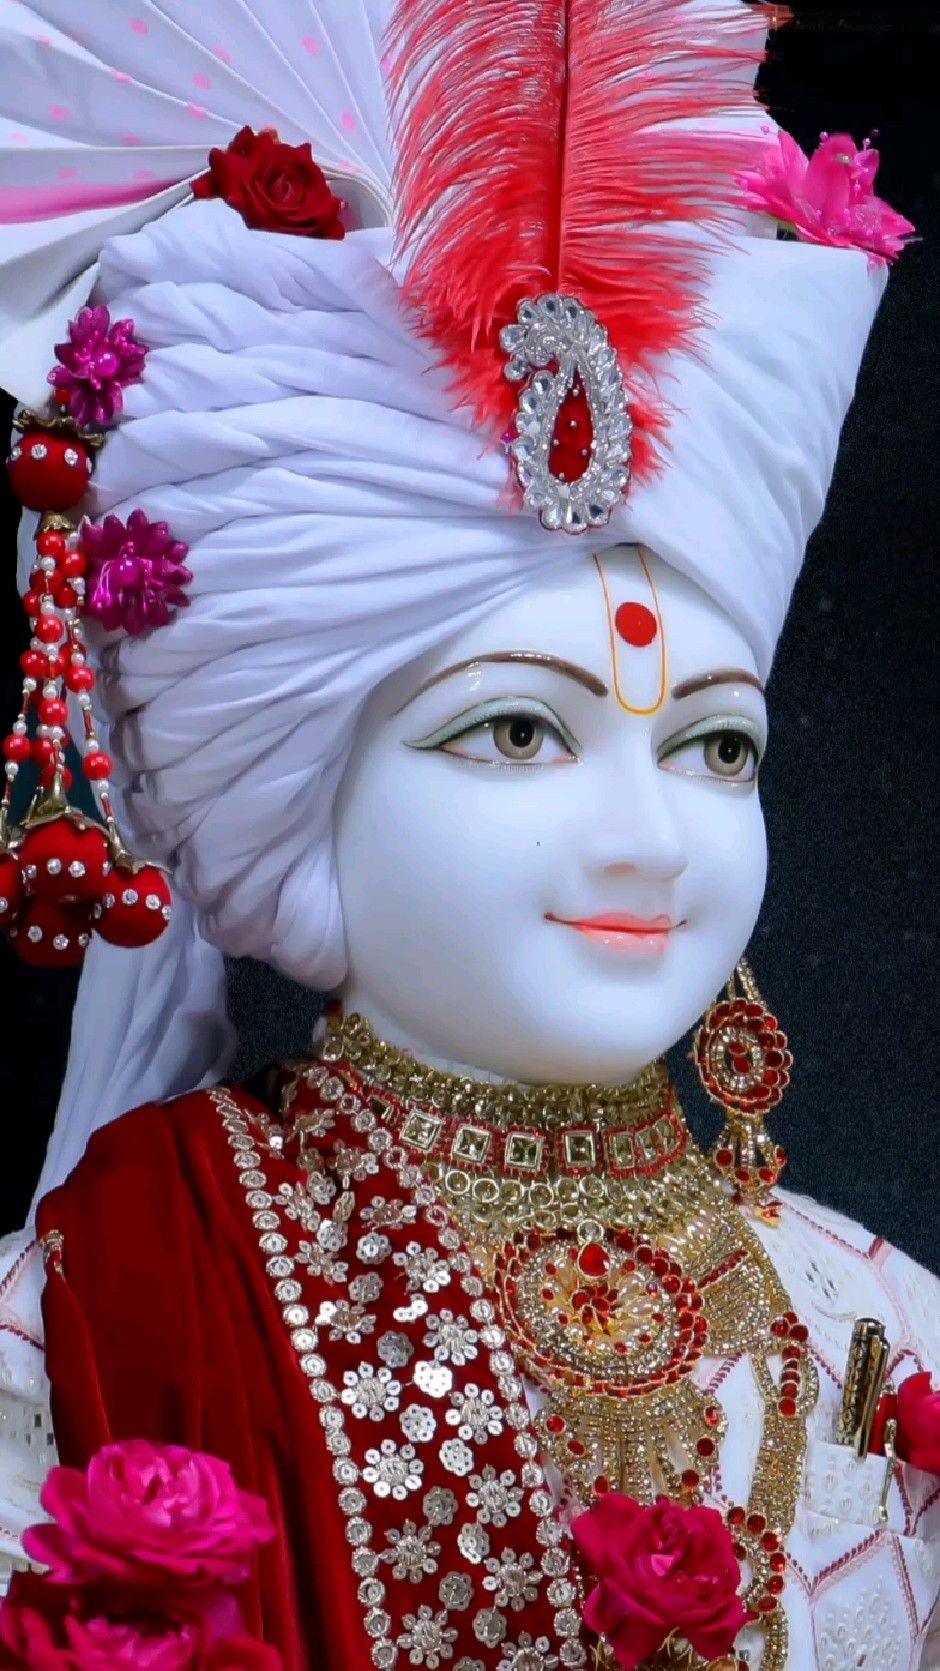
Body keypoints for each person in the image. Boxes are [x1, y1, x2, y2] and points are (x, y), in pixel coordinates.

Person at [0, 2, 937, 1668]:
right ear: (290, 787)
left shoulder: (885, 1323)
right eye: (517, 731)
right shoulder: (73, 1321)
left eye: (718, 746)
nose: (652, 837)